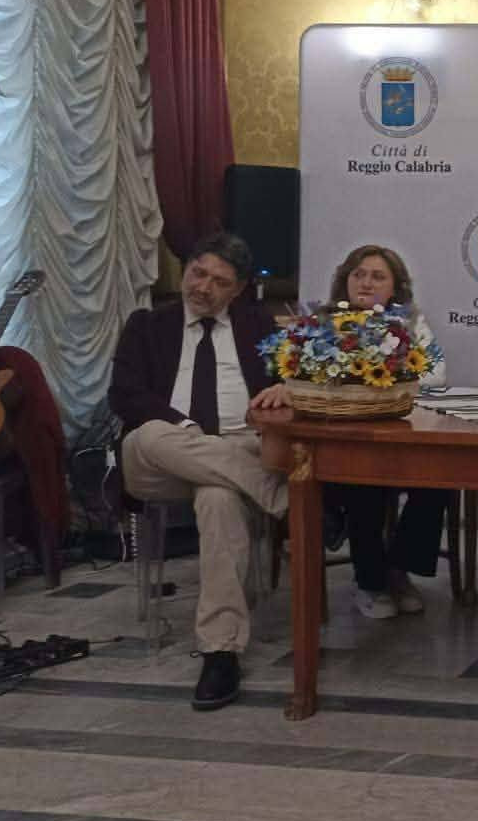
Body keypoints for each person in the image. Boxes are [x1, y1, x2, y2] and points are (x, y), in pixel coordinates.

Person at [109, 232, 289, 711]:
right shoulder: (147, 325)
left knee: (218, 497)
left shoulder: (259, 325)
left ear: (239, 289)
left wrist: (285, 389)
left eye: (219, 281)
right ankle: (281, 498)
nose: (203, 287)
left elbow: (292, 380)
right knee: (151, 433)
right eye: (198, 273)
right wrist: (185, 429)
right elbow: (123, 394)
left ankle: (220, 650)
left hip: (238, 449)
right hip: (161, 456)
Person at [322, 245, 450, 620]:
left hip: (401, 437)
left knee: (440, 477)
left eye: (378, 277)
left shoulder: (411, 323)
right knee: (364, 480)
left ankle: (399, 569)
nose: (366, 283)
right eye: (358, 274)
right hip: (340, 443)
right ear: (345, 280)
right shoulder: (323, 323)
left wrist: (381, 379)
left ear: (395, 288)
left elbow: (437, 375)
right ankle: (370, 582)